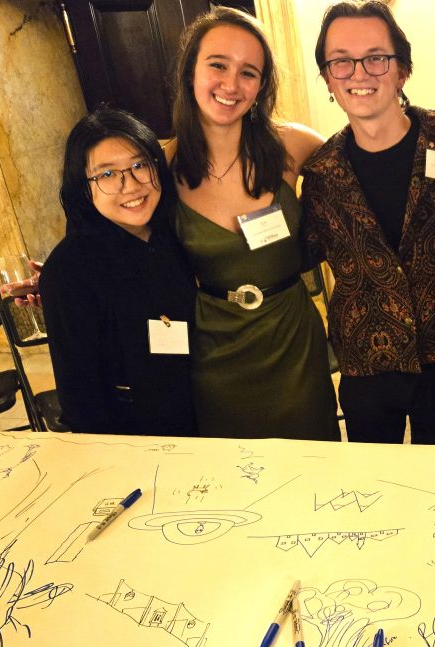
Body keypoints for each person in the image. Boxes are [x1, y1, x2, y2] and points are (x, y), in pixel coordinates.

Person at [301, 1, 435, 444]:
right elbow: (303, 253)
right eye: (341, 61)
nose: (359, 74)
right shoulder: (320, 173)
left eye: (377, 57)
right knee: (374, 493)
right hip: (366, 365)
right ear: (327, 78)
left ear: (402, 70)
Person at [170, 7, 340, 440]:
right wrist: (57, 278)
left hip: (293, 345)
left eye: (249, 72)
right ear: (191, 70)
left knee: (314, 472)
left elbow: (373, 163)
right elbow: (116, 236)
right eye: (218, 65)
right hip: (214, 351)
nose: (231, 84)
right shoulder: (162, 162)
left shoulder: (292, 146)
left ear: (262, 85)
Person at [39, 107, 197, 437]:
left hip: (203, 413)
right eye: (108, 174)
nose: (131, 185)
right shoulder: (69, 269)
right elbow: (80, 397)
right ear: (84, 188)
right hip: (134, 433)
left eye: (140, 165)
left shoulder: (176, 234)